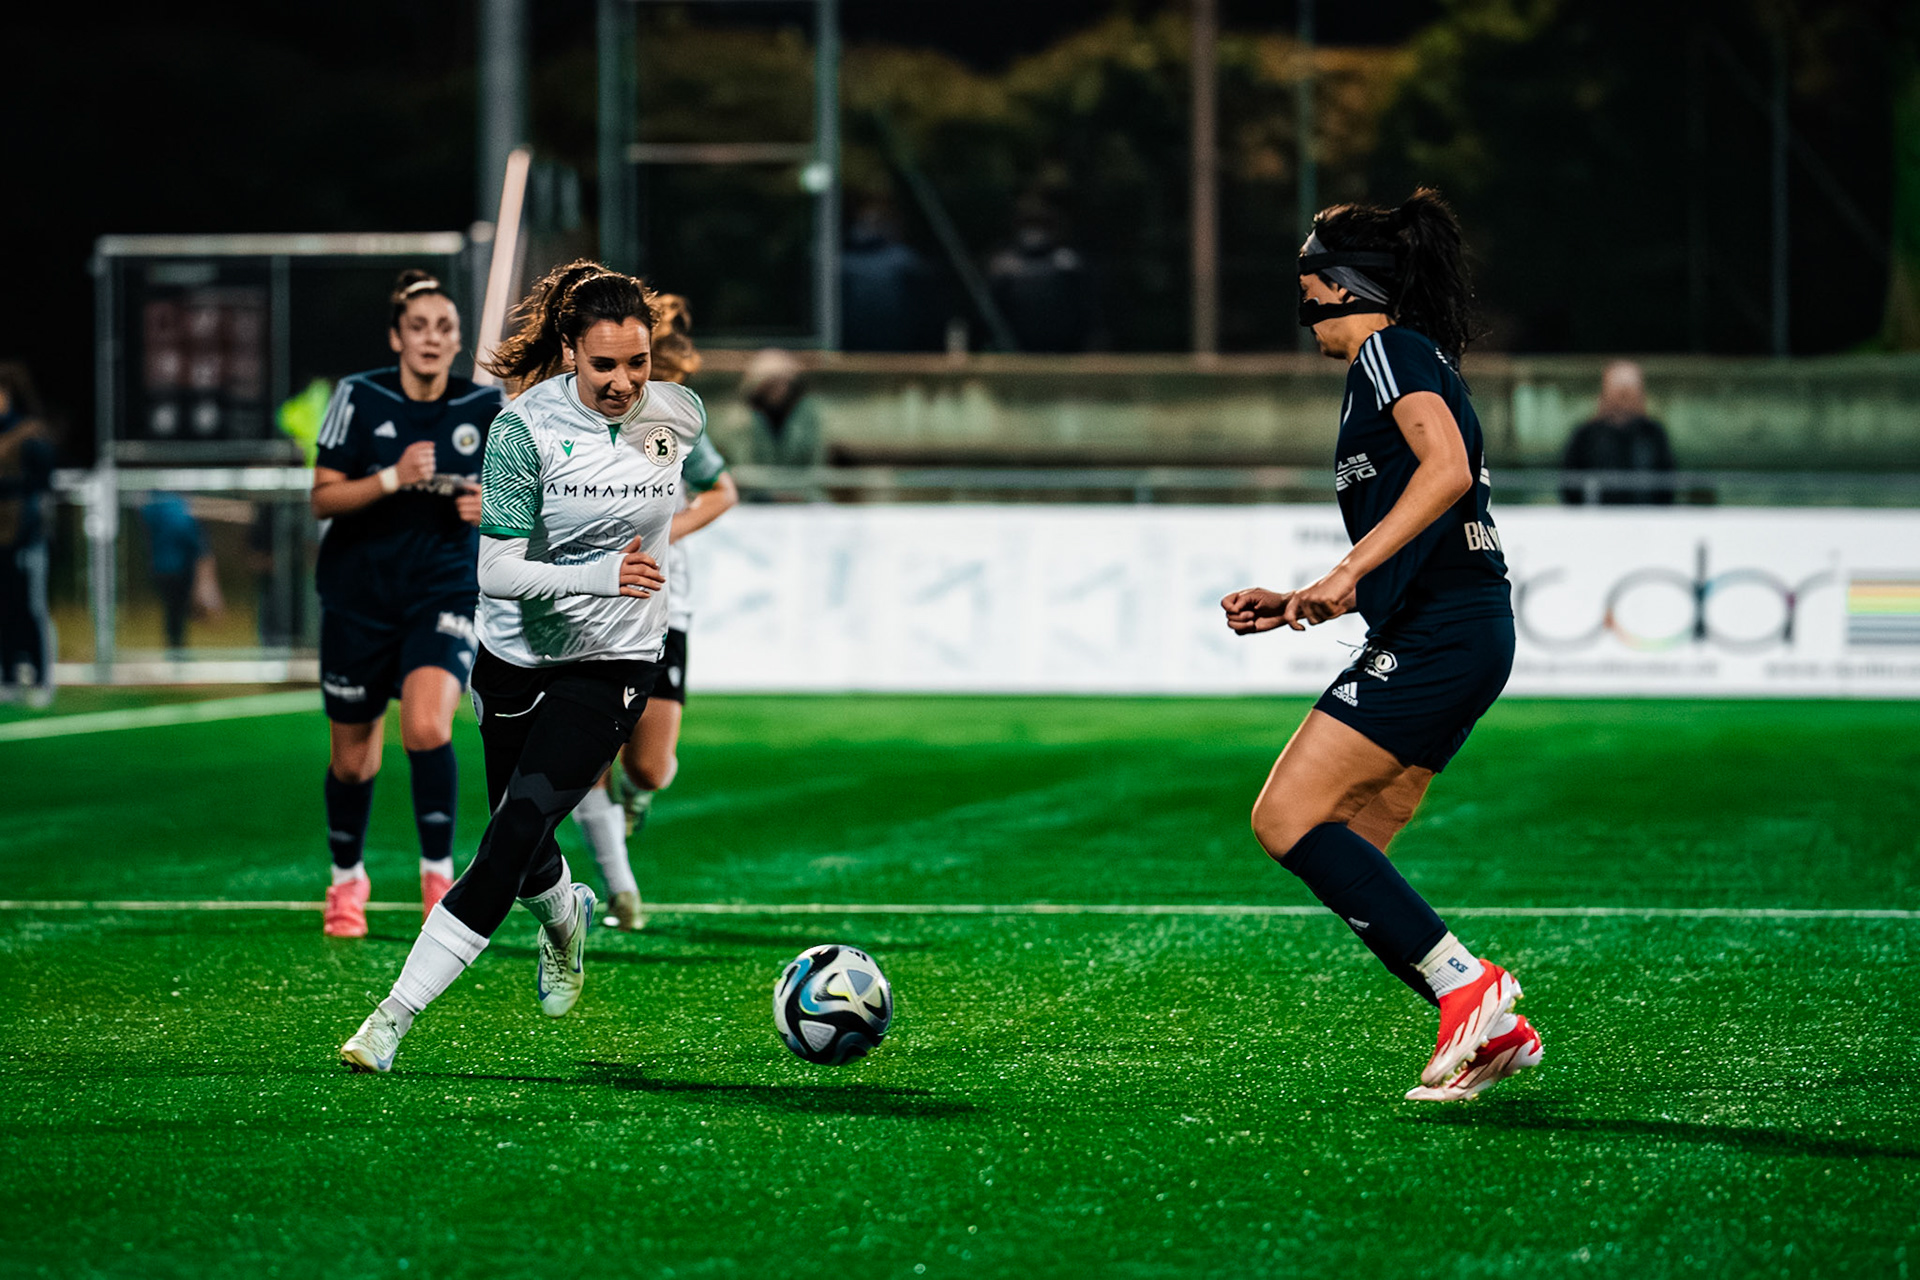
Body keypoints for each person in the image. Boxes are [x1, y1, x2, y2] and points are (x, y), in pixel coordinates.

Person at [340, 260, 708, 1073]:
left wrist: (619, 586)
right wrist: (597, 572)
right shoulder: (521, 430)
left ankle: (390, 1020)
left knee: (509, 833)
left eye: (637, 363)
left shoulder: (679, 416)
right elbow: (495, 571)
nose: (622, 382)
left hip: (615, 656)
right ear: (570, 349)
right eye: (603, 363)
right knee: (528, 835)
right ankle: (564, 920)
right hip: (515, 650)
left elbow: (680, 495)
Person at [1219, 189, 1541, 1104]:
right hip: (1454, 627)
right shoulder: (1402, 362)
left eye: (1309, 292)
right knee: (1355, 839)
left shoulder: (1390, 351)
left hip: (1445, 630)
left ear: (1344, 288)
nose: (1305, 315)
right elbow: (1432, 493)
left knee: (1285, 818)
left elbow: (1442, 473)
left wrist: (1342, 572)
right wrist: (1303, 600)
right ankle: (1490, 1026)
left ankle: (1470, 992)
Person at [310, 270, 505, 938]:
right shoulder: (358, 398)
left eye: (444, 328)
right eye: (418, 326)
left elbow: (523, 504)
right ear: (397, 337)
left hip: (444, 590)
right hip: (358, 597)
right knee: (352, 759)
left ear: (457, 341)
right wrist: (392, 478)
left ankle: (437, 878)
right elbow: (323, 497)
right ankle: (347, 881)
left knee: (427, 727)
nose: (431, 338)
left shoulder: (486, 407)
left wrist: (497, 508)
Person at [567, 295, 738, 930]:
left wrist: (669, 529)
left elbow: (724, 492)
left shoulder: (666, 424)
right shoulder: (563, 417)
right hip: (587, 601)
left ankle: (636, 799)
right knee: (585, 753)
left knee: (649, 764)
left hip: (665, 603)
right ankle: (622, 891)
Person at [0, 363, 56, 706]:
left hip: (26, 535)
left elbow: (43, 484)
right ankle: (6, 676)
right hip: (1, 538)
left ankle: (40, 677)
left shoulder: (30, 433)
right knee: (2, 608)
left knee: (31, 606)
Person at [986, 196, 1101, 353]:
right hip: (1016, 345)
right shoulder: (1003, 265)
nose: (1034, 233)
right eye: (1029, 224)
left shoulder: (1069, 263)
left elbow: (1088, 311)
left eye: (1039, 224)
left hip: (1063, 347)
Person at [1559, 360, 1676, 505]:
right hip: (1595, 520)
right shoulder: (1586, 435)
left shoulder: (1653, 434)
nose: (1624, 401)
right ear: (1605, 393)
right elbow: (1570, 483)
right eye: (1619, 393)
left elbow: (1667, 483)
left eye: (1629, 393)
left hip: (1646, 519)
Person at [140, 491, 223, 653]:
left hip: (162, 566)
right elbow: (189, 534)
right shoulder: (176, 506)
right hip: (177, 567)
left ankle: (176, 650)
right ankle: (177, 652)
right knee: (176, 613)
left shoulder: (155, 504)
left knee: (173, 613)